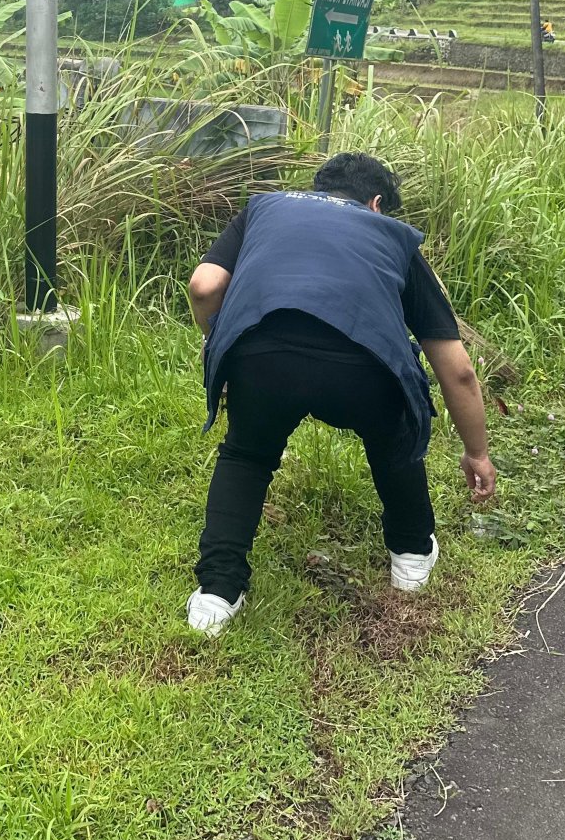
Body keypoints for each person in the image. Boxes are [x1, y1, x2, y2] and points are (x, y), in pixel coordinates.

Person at [185, 152, 496, 636]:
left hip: (262, 356)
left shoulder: (265, 209)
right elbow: (458, 372)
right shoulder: (392, 236)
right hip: (362, 367)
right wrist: (476, 453)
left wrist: (218, 345)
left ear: (318, 189)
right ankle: (411, 557)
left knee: (247, 455)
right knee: (395, 440)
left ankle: (216, 596)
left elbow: (204, 286)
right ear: (376, 204)